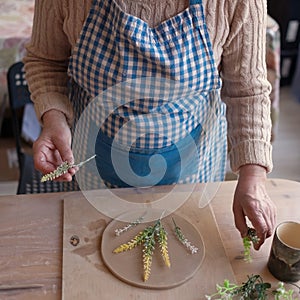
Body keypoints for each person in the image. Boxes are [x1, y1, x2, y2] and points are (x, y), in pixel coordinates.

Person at [23, 0, 276, 250]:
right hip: (93, 169)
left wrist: (253, 175)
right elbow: (46, 61)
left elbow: (247, 91)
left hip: (193, 172)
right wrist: (54, 118)